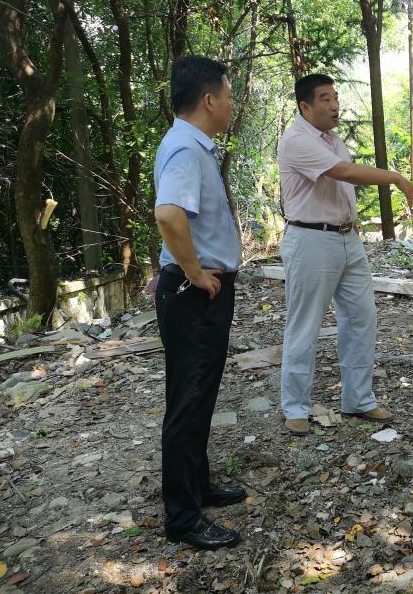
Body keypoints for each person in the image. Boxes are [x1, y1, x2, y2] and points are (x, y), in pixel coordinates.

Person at [278, 73, 413, 436]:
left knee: (361, 316)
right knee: (305, 324)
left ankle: (358, 399)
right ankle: (295, 407)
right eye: (325, 99)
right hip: (311, 240)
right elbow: (345, 173)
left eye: (336, 97)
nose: (334, 105)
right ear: (305, 107)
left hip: (346, 238)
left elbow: (340, 183)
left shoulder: (333, 140)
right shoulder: (297, 140)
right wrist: (395, 177)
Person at [154, 56, 245, 550]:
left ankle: (198, 485)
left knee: (198, 395)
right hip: (195, 294)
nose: (232, 104)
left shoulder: (189, 145)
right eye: (228, 96)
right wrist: (192, 271)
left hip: (199, 291)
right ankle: (183, 518)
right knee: (188, 402)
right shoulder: (186, 148)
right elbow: (169, 215)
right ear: (208, 100)